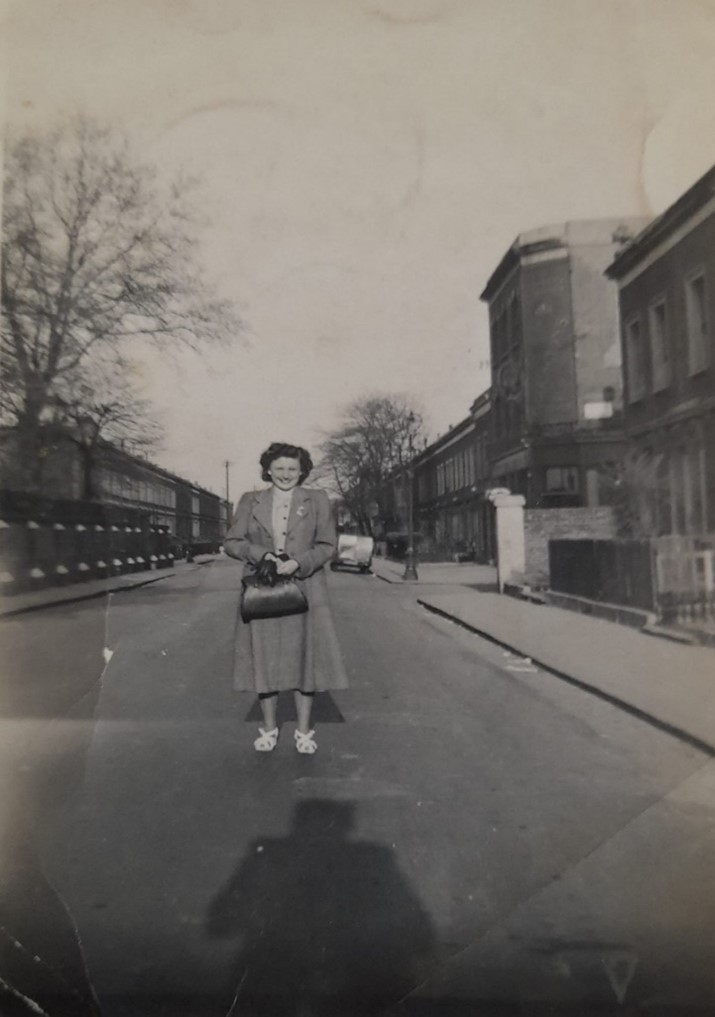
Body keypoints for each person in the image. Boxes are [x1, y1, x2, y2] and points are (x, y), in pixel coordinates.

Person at [224, 442, 348, 754]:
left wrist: (300, 562)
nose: (285, 475)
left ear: (303, 471)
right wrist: (260, 554)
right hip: (263, 589)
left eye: (292, 469)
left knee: (305, 657)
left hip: (305, 587)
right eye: (279, 468)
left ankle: (304, 731)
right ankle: (269, 727)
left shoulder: (318, 499)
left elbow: (328, 544)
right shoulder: (250, 500)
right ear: (267, 470)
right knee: (263, 657)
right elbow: (232, 542)